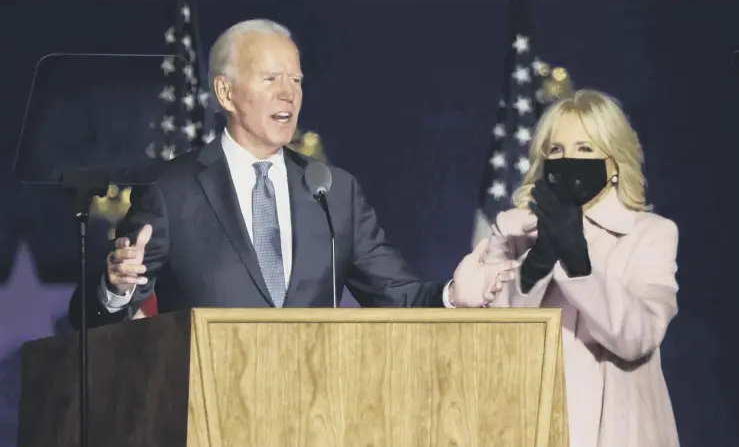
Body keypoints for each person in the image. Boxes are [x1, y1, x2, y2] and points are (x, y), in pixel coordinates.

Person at [69, 19, 517, 328]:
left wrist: (453, 295)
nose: (289, 93)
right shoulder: (171, 191)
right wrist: (114, 287)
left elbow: (397, 296)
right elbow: (90, 320)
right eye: (270, 79)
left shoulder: (333, 191)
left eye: (297, 80)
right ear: (225, 92)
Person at [448, 89, 680, 447]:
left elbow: (637, 337)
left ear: (615, 164)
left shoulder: (650, 234)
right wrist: (538, 260)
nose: (568, 159)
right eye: (556, 150)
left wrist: (576, 258)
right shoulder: (515, 233)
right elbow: (494, 340)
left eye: (585, 149)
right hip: (528, 426)